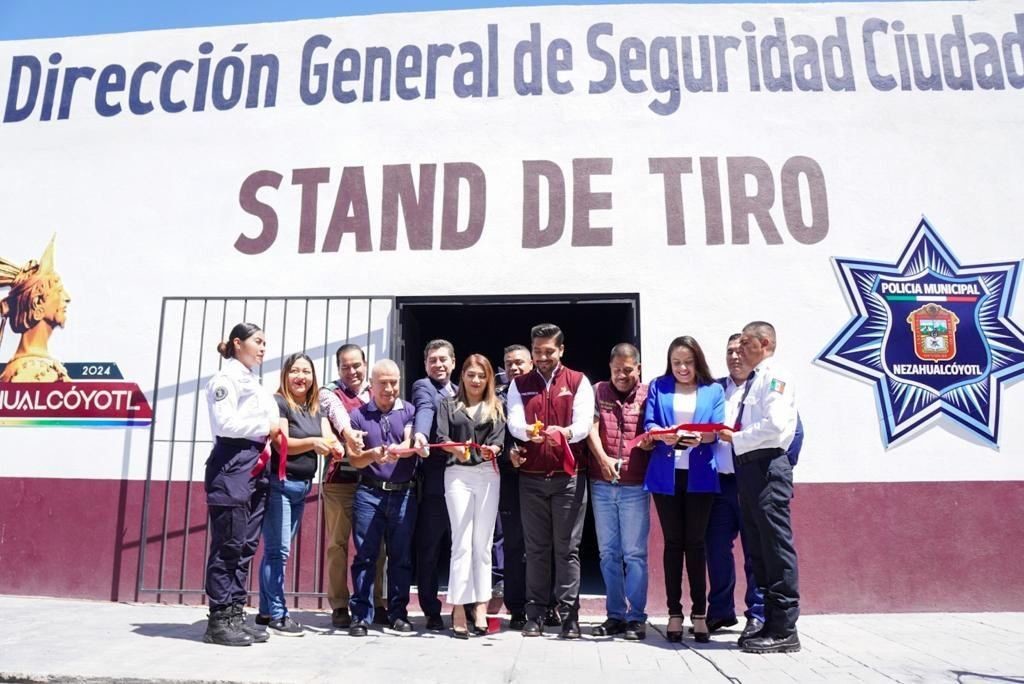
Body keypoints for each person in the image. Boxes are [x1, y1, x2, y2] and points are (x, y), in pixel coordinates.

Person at [506, 323, 594, 639]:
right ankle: (535, 615)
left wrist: (566, 433)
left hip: (568, 478)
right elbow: (514, 420)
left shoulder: (578, 381)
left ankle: (569, 618)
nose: (542, 357)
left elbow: (584, 423)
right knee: (537, 549)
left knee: (567, 549)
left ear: (561, 350)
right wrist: (526, 431)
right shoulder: (521, 384)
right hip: (530, 478)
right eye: (537, 351)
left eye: (549, 351)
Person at [718, 321, 801, 654]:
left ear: (764, 342)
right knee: (759, 548)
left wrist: (736, 438)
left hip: (768, 467)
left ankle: (784, 628)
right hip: (750, 469)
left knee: (776, 547)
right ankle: (769, 622)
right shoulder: (755, 381)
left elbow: (777, 425)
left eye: (746, 343)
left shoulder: (775, 376)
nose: (739, 350)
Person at [202, 322, 279, 647]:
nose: (263, 348)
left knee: (246, 545)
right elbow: (226, 423)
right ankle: (219, 619)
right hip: (232, 464)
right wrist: (268, 424)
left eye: (264, 342)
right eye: (257, 342)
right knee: (228, 545)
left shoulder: (254, 382)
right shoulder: (225, 379)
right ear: (238, 343)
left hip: (256, 464)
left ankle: (235, 613)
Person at [644, 336, 725, 643]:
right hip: (666, 475)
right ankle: (674, 613)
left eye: (688, 362)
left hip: (701, 474)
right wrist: (660, 435)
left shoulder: (712, 389)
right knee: (673, 543)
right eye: (676, 362)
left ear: (698, 361)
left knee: (696, 543)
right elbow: (649, 422)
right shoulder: (658, 385)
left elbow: (718, 429)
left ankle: (700, 614)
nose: (682, 368)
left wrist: (701, 438)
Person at [256, 353, 340, 636]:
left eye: (306, 371)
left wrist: (337, 446)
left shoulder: (316, 407)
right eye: (294, 371)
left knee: (275, 552)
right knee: (278, 552)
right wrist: (312, 442)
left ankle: (266, 613)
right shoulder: (278, 402)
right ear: (285, 375)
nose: (300, 376)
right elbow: (281, 443)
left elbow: (328, 437)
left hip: (303, 486)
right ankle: (279, 615)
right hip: (280, 483)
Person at [347, 359, 419, 636]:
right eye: (383, 383)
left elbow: (413, 443)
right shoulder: (358, 416)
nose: (389, 388)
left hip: (403, 494)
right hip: (369, 493)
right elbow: (354, 460)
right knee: (365, 556)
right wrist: (371, 454)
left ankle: (398, 614)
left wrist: (403, 448)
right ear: (372, 385)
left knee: (400, 557)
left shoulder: (410, 411)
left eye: (394, 382)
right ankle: (361, 617)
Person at [318, 344, 388, 628]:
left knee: (377, 546)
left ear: (365, 364)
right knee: (337, 544)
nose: (352, 372)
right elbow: (337, 415)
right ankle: (338, 604)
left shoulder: (377, 392)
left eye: (356, 365)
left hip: (372, 482)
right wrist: (349, 435)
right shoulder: (329, 393)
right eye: (345, 367)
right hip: (340, 481)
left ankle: (377, 601)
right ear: (338, 369)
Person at [586, 343, 653, 641]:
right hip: (601, 484)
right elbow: (591, 428)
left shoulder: (649, 393)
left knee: (635, 554)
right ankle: (615, 615)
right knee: (608, 553)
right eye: (617, 370)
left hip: (636, 485)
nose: (622, 375)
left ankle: (636, 617)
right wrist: (602, 460)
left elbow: (655, 429)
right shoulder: (598, 390)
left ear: (637, 367)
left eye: (628, 370)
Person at [437, 354, 506, 638]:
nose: (476, 380)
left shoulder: (496, 406)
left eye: (481, 375)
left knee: (483, 543)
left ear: (488, 378)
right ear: (462, 375)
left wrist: (494, 450)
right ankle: (458, 608)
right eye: (471, 374)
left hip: (488, 475)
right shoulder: (448, 405)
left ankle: (480, 606)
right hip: (458, 476)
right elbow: (441, 438)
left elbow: (499, 442)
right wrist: (456, 448)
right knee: (462, 542)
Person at [703, 334, 765, 641]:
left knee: (755, 551)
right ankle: (720, 611)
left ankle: (757, 614)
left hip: (752, 482)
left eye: (740, 351)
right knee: (715, 549)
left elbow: (793, 432)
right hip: (720, 484)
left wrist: (779, 470)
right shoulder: (715, 389)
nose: (735, 357)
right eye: (729, 351)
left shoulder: (765, 387)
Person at [411, 339, 458, 631]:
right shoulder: (423, 387)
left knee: (463, 547)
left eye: (443, 359)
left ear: (453, 362)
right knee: (430, 548)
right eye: (432, 360)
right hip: (437, 484)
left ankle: (462, 610)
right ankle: (431, 609)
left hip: (466, 479)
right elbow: (425, 410)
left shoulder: (463, 388)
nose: (438, 365)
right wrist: (420, 435)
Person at [495, 344, 532, 629]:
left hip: (543, 474)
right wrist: (508, 453)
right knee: (513, 541)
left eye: (519, 362)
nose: (514, 368)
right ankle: (517, 606)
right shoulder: (496, 396)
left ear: (531, 363)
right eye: (509, 364)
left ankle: (549, 603)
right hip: (509, 475)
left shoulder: (541, 391)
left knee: (546, 541)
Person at [0, 236, 71, 383]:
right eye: (59, 291)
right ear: (38, 303)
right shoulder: (36, 372)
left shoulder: (34, 368)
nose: (67, 298)